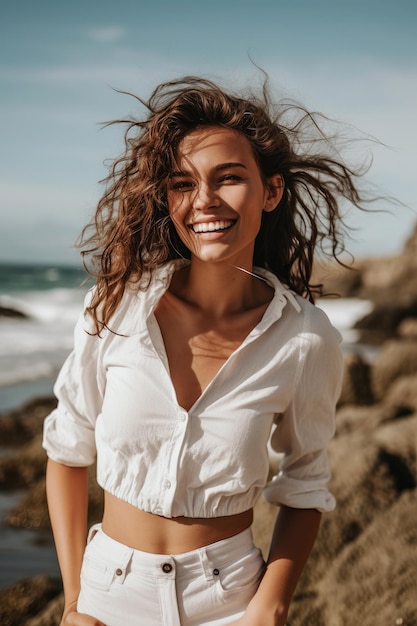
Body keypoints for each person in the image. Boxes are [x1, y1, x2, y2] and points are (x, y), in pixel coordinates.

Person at [42, 75, 366, 626]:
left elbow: (306, 484)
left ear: (271, 191)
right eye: (182, 183)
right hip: (106, 598)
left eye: (229, 178)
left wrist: (269, 608)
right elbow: (68, 451)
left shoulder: (306, 338)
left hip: (231, 602)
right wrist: (75, 602)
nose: (204, 201)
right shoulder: (117, 307)